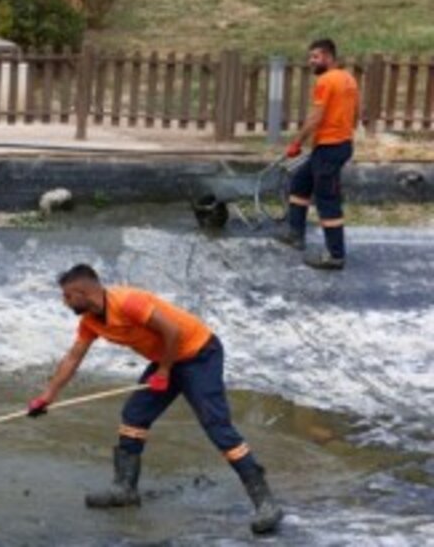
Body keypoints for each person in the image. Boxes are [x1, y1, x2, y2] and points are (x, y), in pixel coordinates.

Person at [28, 264, 283, 535]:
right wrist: (47, 397)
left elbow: (172, 331)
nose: (64, 302)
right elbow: (73, 357)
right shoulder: (90, 321)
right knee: (135, 416)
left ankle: (265, 502)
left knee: (216, 425)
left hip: (199, 354)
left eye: (67, 296)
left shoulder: (128, 302)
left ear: (82, 292)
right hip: (168, 360)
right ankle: (125, 489)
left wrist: (163, 371)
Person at [278, 38, 359, 270]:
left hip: (331, 148)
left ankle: (336, 256)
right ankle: (296, 234)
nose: (310, 61)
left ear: (328, 57)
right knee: (300, 182)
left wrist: (297, 142)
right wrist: (346, 132)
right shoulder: (348, 78)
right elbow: (356, 111)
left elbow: (316, 116)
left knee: (327, 199)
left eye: (315, 57)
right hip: (336, 144)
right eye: (310, 57)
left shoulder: (326, 80)